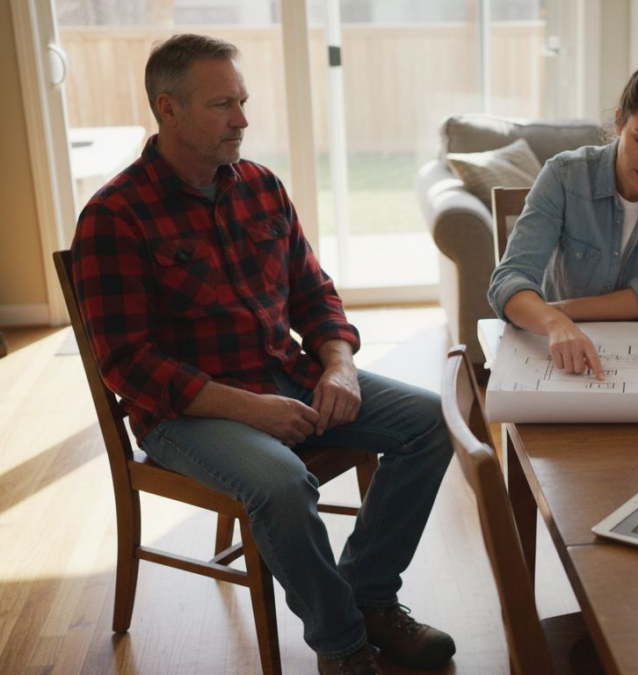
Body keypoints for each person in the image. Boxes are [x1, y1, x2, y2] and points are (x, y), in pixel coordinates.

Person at [71, 34, 454, 675]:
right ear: (167, 109)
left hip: (290, 376)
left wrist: (338, 364)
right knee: (280, 481)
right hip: (189, 413)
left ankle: (370, 595)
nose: (243, 120)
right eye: (223, 105)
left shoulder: (260, 186)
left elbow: (315, 294)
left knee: (434, 420)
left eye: (243, 101)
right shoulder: (115, 216)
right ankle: (342, 644)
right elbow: (128, 363)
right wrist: (251, 410)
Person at [488, 39, 638, 378]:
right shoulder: (564, 175)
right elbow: (508, 280)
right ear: (619, 121)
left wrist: (562, 312)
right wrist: (554, 324)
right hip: (563, 351)